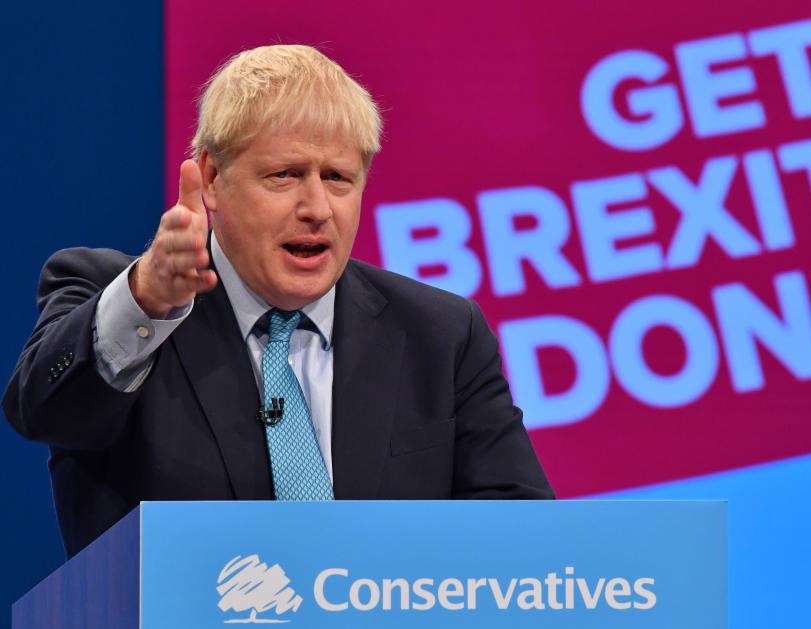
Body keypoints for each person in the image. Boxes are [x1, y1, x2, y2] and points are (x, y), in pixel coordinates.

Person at [3, 44, 554, 558]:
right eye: (285, 175)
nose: (317, 206)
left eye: (338, 177)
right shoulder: (114, 296)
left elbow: (525, 539)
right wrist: (146, 300)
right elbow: (44, 412)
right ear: (213, 178)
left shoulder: (442, 332)